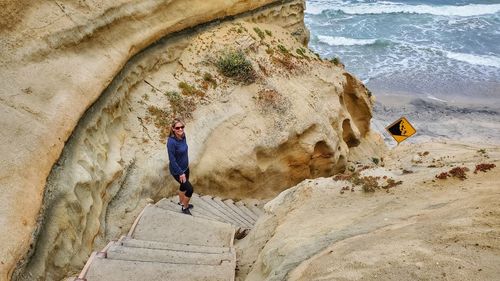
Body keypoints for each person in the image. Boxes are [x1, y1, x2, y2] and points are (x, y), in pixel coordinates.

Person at [167, 118, 194, 215]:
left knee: (183, 186)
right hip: (177, 171)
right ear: (173, 129)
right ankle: (185, 208)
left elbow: (184, 149)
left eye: (182, 127)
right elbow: (172, 160)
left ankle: (181, 202)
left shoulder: (183, 136)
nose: (180, 129)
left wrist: (184, 168)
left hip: (185, 167)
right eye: (177, 128)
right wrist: (180, 173)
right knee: (190, 189)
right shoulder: (171, 142)